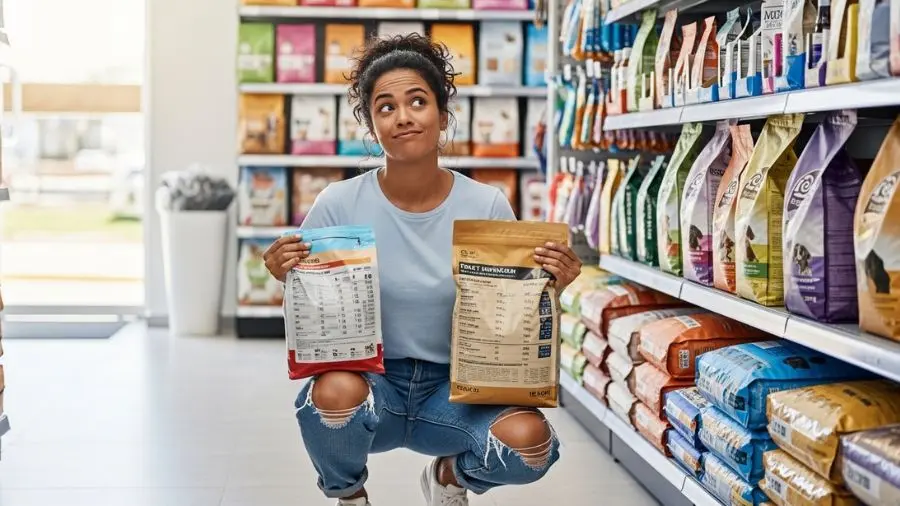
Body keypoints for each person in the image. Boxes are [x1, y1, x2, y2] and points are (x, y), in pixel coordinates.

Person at [262, 33, 583, 506]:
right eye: (385, 107)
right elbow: (309, 310)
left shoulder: (485, 204)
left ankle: (450, 479)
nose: (404, 117)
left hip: (457, 393)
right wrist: (282, 271)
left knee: (531, 446)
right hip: (373, 386)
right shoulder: (339, 204)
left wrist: (551, 286)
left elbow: (514, 319)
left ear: (443, 114)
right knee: (328, 395)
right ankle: (349, 495)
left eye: (417, 101)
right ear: (371, 125)